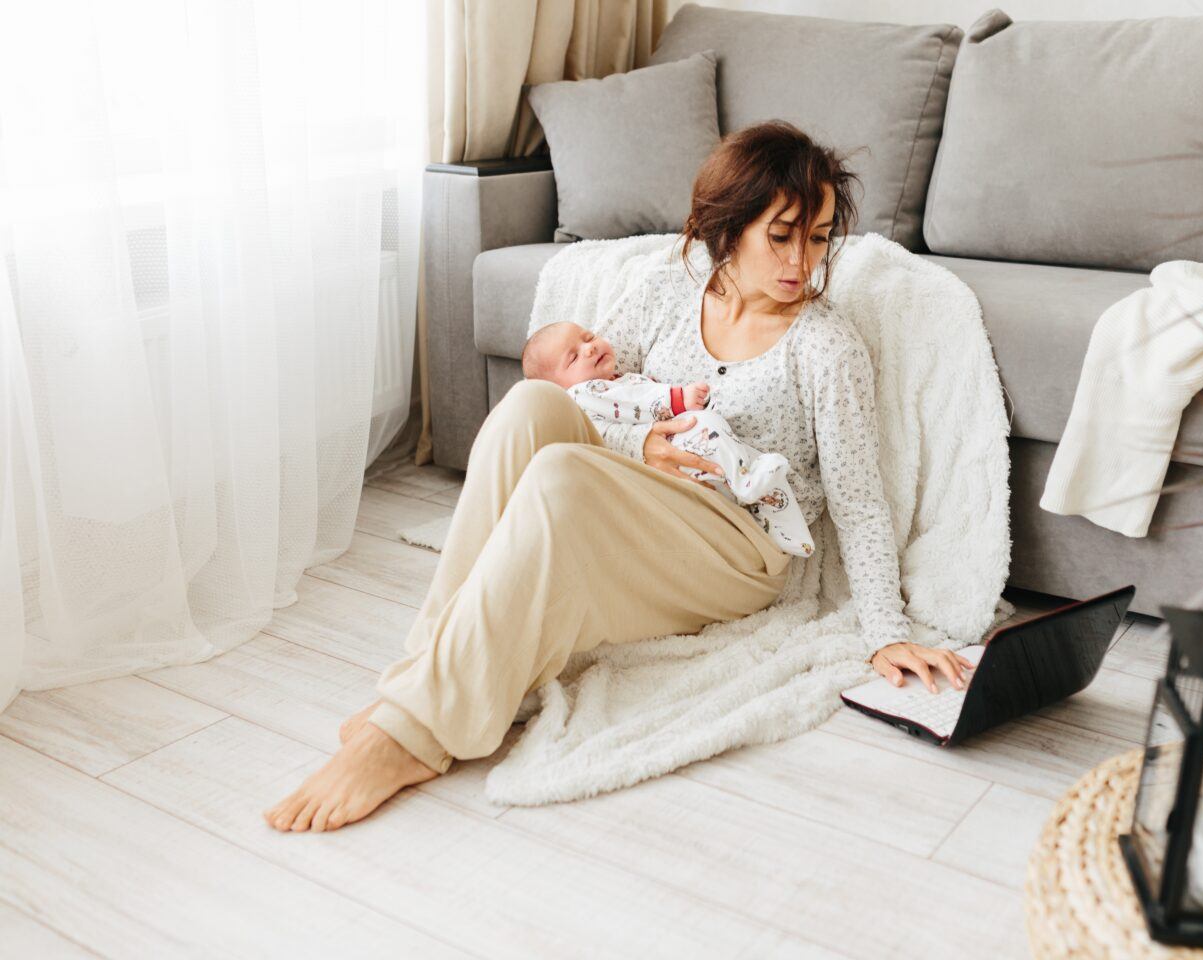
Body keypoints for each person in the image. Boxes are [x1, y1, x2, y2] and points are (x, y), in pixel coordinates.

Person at [263, 120, 974, 833]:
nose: (802, 261)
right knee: (530, 406)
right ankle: (424, 678)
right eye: (781, 234)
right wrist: (643, 446)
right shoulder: (668, 292)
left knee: (562, 477)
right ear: (729, 226)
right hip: (645, 501)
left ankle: (412, 735)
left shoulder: (826, 346)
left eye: (818, 238)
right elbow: (586, 394)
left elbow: (858, 496)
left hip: (736, 548)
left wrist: (885, 630)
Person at [519, 320, 814, 557]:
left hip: (680, 458)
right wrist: (678, 397)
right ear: (557, 388)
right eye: (573, 357)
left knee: (748, 459)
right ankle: (747, 486)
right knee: (707, 424)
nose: (589, 348)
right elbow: (639, 402)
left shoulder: (614, 379)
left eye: (588, 337)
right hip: (671, 455)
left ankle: (782, 527)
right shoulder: (583, 393)